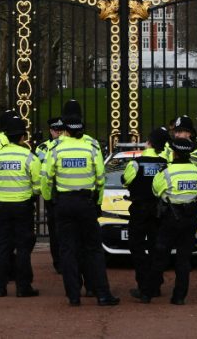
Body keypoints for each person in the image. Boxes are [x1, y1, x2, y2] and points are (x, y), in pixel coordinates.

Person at [41, 111, 119, 306]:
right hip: (86, 202)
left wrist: (49, 198)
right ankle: (101, 293)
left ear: (65, 130)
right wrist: (98, 202)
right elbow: (101, 178)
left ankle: (73, 296)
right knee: (93, 249)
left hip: (64, 202)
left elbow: (46, 177)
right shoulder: (91, 147)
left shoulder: (56, 149)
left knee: (67, 249)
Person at [140, 136, 197, 305]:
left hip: (171, 218)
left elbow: (156, 190)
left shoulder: (168, 172)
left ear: (175, 153)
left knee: (160, 256)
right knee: (184, 260)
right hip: (190, 218)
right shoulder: (195, 170)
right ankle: (179, 296)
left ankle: (148, 293)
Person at [0, 115, 41, 297]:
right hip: (23, 205)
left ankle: (0, 286)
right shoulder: (28, 156)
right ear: (22, 137)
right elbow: (37, 183)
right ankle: (23, 286)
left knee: (2, 245)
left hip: (2, 204)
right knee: (23, 247)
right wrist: (32, 195)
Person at [122, 126, 169, 300]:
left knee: (138, 249)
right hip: (158, 211)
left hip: (140, 210)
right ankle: (155, 285)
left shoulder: (135, 163)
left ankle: (143, 287)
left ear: (148, 143)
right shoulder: (165, 164)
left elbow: (125, 181)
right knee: (157, 248)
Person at [36, 116, 65, 272]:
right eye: (56, 130)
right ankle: (58, 262)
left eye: (61, 130)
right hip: (51, 193)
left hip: (64, 191)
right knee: (54, 231)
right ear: (50, 130)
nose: (58, 133)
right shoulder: (42, 148)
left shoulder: (67, 146)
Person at [168, 115, 197, 187]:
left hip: (194, 193)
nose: (177, 135)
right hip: (173, 191)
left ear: (189, 133)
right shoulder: (169, 147)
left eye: (180, 131)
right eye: (176, 132)